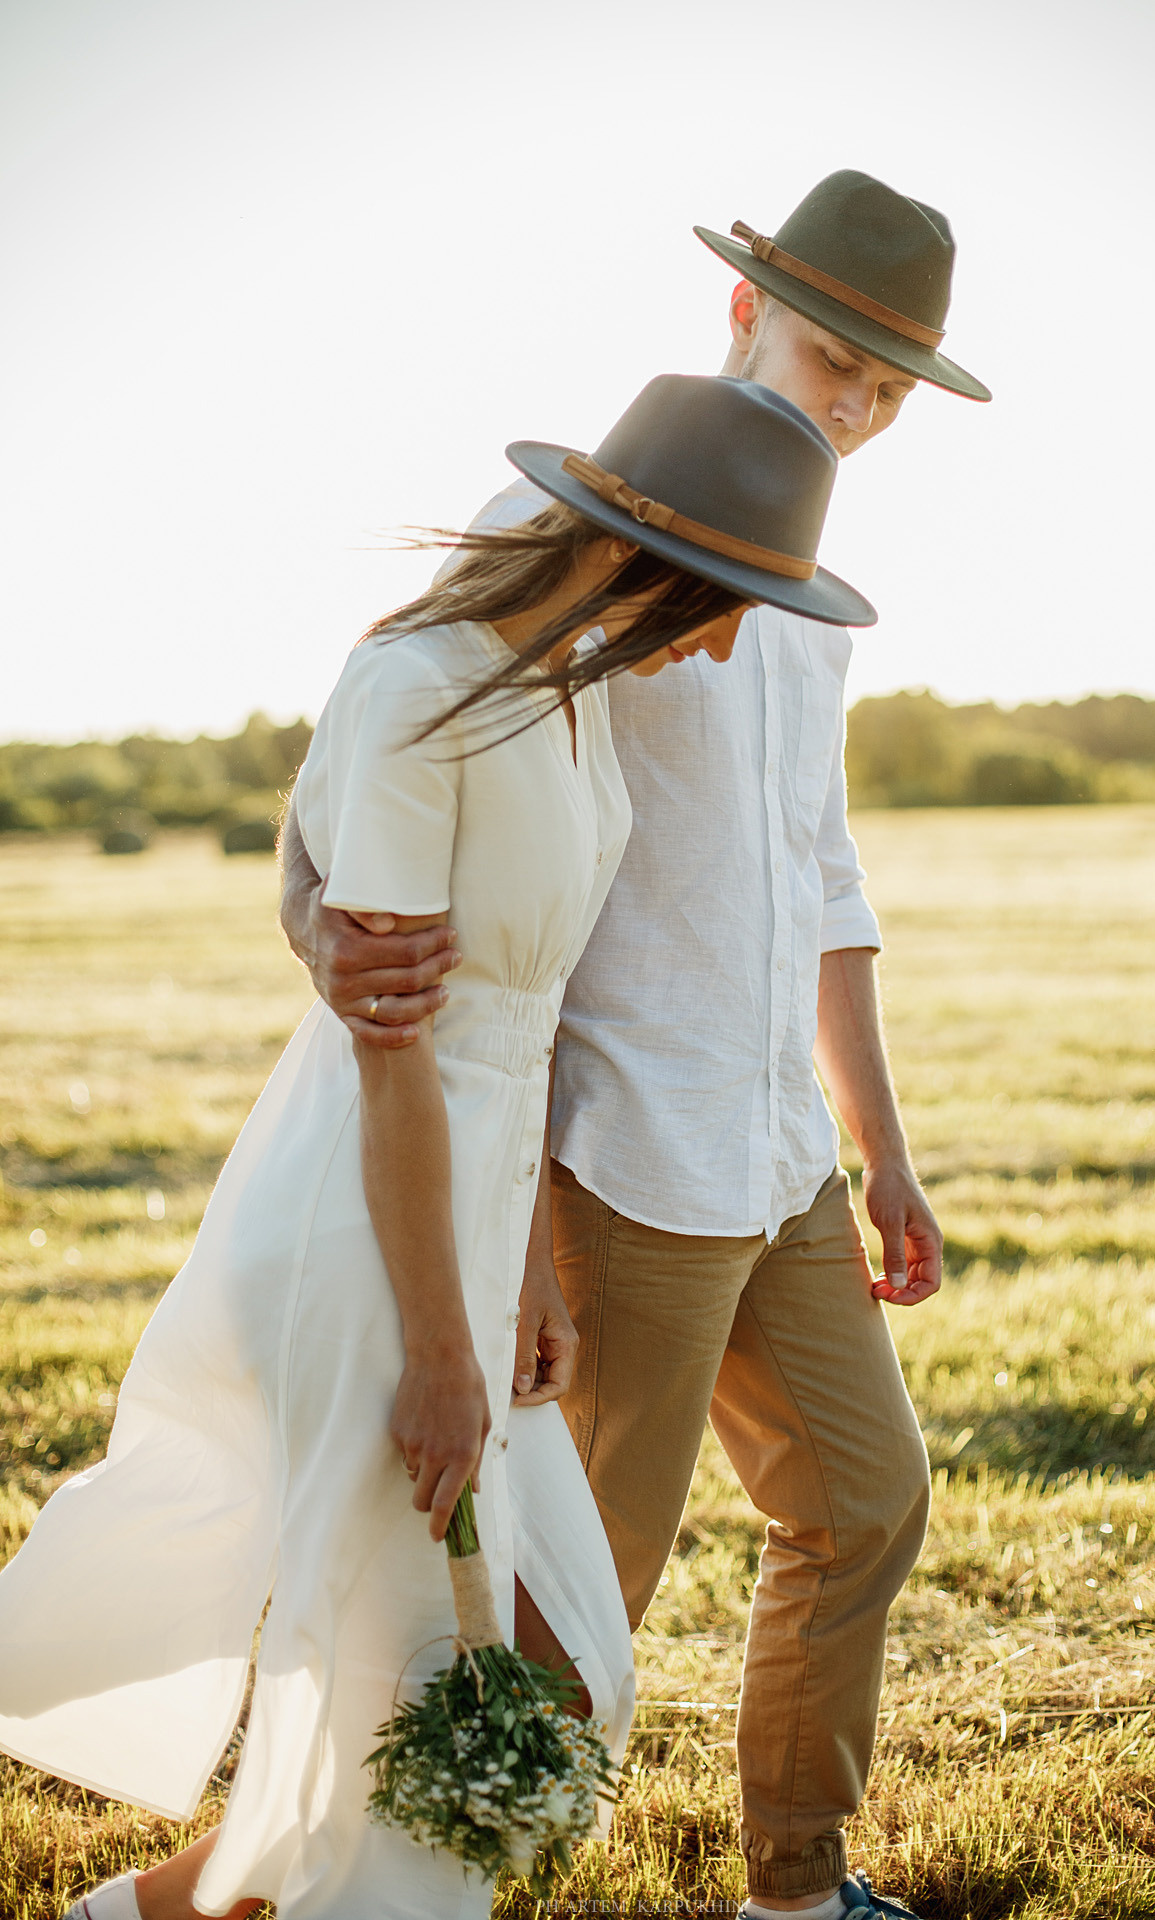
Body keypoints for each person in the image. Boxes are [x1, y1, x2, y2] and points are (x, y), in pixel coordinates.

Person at [0, 375, 875, 1920]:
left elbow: (531, 1015)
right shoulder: (420, 684)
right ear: (640, 553)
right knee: (414, 1676)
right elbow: (396, 1048)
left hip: (482, 1216)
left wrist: (525, 1265)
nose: (731, 640)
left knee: (557, 1672)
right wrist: (440, 1348)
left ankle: (138, 1915)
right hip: (368, 1224)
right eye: (730, 599)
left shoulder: (569, 680)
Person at [281, 171, 991, 1920]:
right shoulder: (599, 531)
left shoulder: (805, 601)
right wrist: (315, 920)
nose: (852, 408)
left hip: (776, 1150)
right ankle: (414, 1883)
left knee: (866, 1501)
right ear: (740, 314)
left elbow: (821, 870)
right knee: (578, 1601)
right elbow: (374, 755)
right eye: (837, 360)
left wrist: (875, 1140)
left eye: (886, 394)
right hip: (615, 1159)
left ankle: (799, 1891)